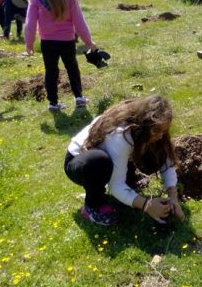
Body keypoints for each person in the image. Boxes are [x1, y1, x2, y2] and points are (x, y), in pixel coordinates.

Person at [64, 95, 185, 226]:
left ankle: (130, 182)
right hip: (81, 163)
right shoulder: (121, 134)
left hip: (114, 155)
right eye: (157, 131)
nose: (161, 134)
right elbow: (116, 185)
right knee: (99, 162)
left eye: (164, 130)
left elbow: (165, 160)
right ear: (145, 124)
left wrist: (173, 197)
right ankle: (93, 206)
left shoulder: (148, 131)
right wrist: (147, 205)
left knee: (153, 150)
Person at [24, 0, 100, 111]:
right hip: (67, 40)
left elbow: (30, 23)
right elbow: (79, 21)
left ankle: (53, 103)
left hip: (47, 41)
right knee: (72, 67)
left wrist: (29, 44)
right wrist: (88, 41)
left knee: (51, 71)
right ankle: (78, 97)